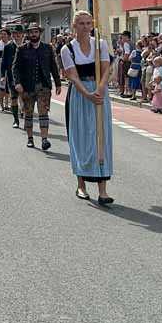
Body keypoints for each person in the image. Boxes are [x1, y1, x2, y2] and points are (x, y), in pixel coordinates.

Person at [60, 12, 114, 205]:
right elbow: (73, 76)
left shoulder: (100, 44)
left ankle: (103, 190)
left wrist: (100, 89)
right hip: (80, 94)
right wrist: (87, 94)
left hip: (99, 92)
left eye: (88, 23)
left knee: (101, 137)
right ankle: (81, 185)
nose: (85, 27)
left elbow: (106, 69)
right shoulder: (67, 49)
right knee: (81, 137)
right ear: (74, 26)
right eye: (81, 23)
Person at [12, 22, 62, 151]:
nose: (34, 34)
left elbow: (53, 66)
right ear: (28, 34)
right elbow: (15, 68)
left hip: (43, 86)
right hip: (27, 86)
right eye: (31, 32)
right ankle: (30, 138)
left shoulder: (47, 48)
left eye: (36, 32)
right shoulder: (22, 49)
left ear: (40, 33)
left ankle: (44, 139)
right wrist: (17, 83)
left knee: (43, 113)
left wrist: (58, 83)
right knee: (28, 113)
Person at [2, 25, 23, 128]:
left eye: (19, 33)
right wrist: (3, 76)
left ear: (22, 34)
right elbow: (4, 63)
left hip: (26, 78)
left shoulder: (28, 46)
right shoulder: (8, 47)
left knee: (26, 99)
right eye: (15, 33)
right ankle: (16, 120)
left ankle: (26, 117)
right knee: (14, 98)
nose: (17, 35)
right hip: (12, 78)